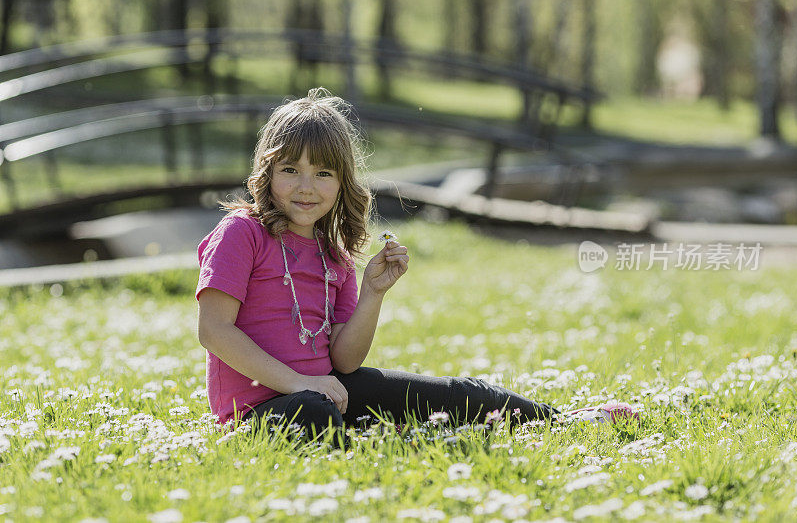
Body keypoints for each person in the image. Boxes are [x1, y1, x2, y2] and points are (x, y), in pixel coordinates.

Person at [195, 88, 636, 445]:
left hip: (325, 389)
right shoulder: (242, 233)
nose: (306, 187)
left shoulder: (334, 253)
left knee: (454, 393)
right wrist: (296, 383)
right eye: (291, 169)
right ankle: (388, 440)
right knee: (316, 413)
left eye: (324, 174)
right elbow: (214, 330)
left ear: (343, 181)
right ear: (267, 171)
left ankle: (563, 423)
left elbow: (344, 361)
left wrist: (372, 294)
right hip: (258, 415)